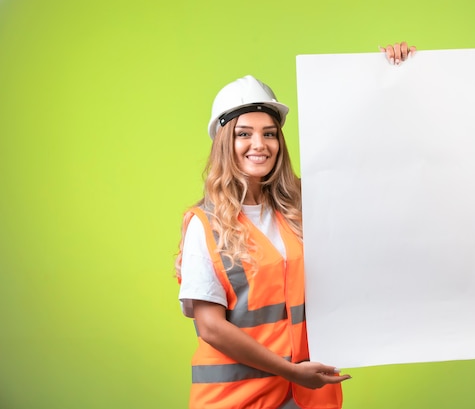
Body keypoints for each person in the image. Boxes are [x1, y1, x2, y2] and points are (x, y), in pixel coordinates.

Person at [175, 43, 415, 409]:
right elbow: (211, 326)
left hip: (307, 397)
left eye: (269, 133)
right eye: (244, 133)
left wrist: (397, 76)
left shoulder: (303, 209)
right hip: (236, 400)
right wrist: (290, 370)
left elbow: (374, 168)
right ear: (225, 142)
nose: (260, 144)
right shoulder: (205, 225)